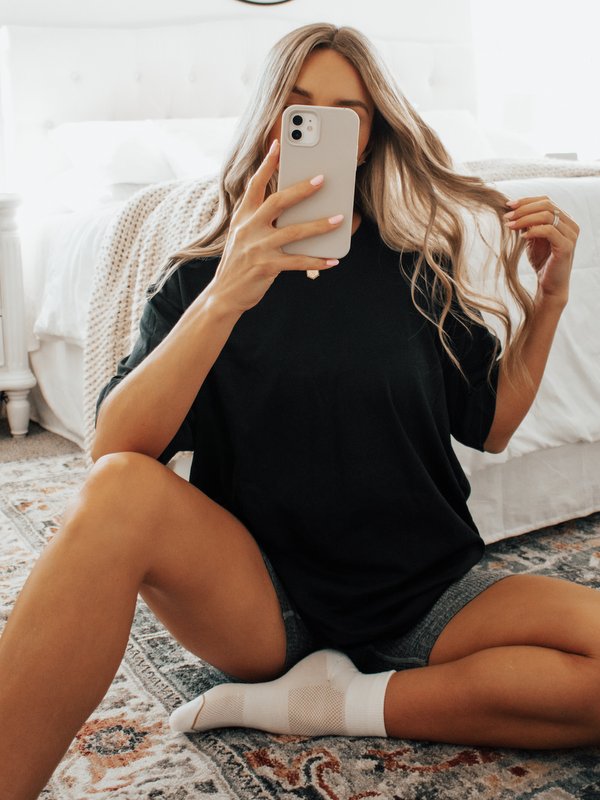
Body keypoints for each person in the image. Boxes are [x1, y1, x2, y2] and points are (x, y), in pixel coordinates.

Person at [0, 21, 591, 800]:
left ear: (368, 138)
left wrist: (550, 299)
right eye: (300, 107)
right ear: (269, 121)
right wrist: (228, 291)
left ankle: (331, 705)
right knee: (118, 491)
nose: (322, 128)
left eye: (348, 114)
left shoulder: (419, 270)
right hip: (262, 605)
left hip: (425, 592)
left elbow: (492, 426)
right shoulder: (199, 280)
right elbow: (115, 451)